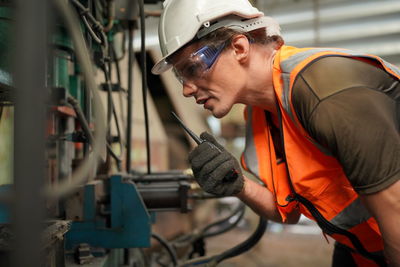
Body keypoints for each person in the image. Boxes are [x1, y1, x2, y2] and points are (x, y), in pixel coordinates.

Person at [151, 0, 400, 266]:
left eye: (192, 67)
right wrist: (237, 184)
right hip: (363, 249)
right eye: (181, 77)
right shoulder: (262, 113)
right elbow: (287, 212)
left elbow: (396, 213)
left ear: (239, 47)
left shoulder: (325, 92)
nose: (186, 90)